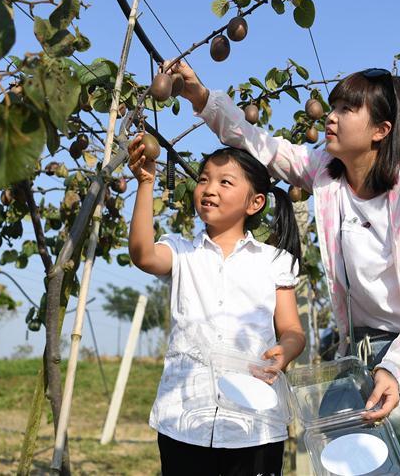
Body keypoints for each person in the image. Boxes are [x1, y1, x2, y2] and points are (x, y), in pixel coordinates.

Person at [167, 60, 400, 475]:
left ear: (381, 130)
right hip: (364, 354)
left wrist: (396, 367)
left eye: (346, 110)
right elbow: (260, 146)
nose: (331, 117)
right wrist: (200, 96)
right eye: (333, 106)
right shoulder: (326, 175)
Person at [128, 135, 306, 476]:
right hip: (184, 416)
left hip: (253, 420)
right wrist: (146, 183)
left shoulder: (274, 261)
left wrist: (286, 350)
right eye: (204, 179)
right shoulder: (181, 252)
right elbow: (143, 255)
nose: (209, 189)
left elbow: (292, 330)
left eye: (225, 182)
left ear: (254, 203)